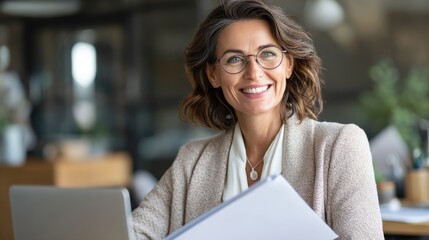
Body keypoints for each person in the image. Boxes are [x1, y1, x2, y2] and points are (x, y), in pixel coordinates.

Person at [132, 0, 384, 239]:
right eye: (234, 59)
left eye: (267, 54)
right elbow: (132, 233)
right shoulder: (191, 161)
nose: (253, 73)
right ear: (213, 75)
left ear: (288, 64)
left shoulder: (339, 146)